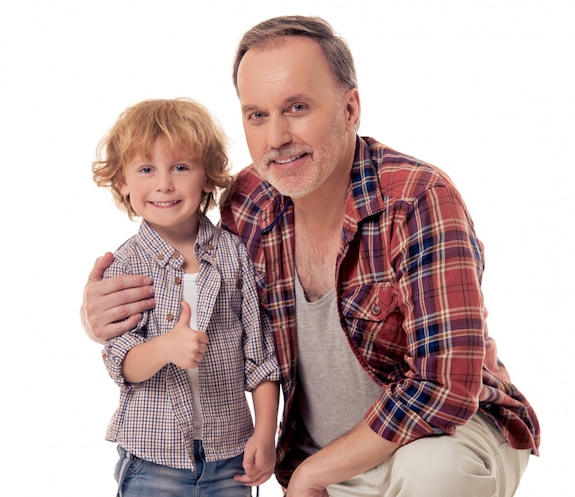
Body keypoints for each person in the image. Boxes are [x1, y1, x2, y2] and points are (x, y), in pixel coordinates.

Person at [82, 16, 540, 497]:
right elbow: (186, 274)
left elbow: (444, 387)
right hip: (322, 458)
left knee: (432, 471)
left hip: (445, 436)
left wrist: (312, 474)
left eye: (297, 107)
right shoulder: (250, 203)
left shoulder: (418, 200)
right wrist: (100, 314)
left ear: (350, 107)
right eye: (257, 115)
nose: (276, 137)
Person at [90, 97, 280, 497]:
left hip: (229, 454)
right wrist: (166, 348)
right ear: (123, 184)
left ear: (207, 177)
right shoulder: (125, 266)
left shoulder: (234, 255)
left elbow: (260, 357)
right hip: (153, 456)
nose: (163, 184)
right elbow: (122, 362)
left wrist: (265, 432)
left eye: (180, 167)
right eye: (146, 170)